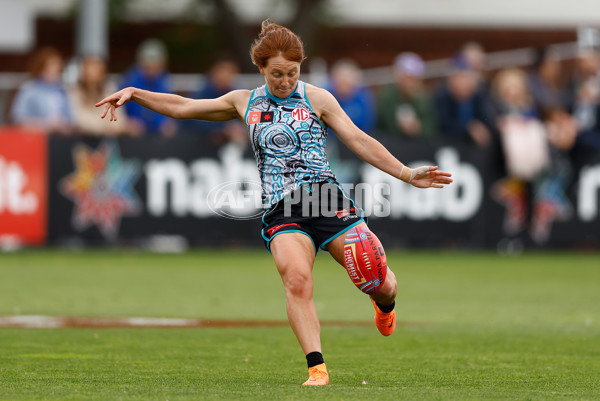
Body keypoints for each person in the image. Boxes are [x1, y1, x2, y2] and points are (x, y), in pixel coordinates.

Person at [96, 20, 452, 386]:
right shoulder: (244, 101)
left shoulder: (318, 98)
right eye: (277, 74)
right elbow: (184, 106)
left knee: (380, 278)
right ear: (261, 69)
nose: (285, 81)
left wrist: (407, 174)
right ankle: (317, 368)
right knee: (297, 280)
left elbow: (359, 140)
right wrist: (136, 93)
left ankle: (385, 303)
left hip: (326, 198)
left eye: (292, 73)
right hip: (282, 209)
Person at [178, 55, 247, 146]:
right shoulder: (201, 94)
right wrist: (222, 129)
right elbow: (192, 119)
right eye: (223, 70)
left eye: (230, 72)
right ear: (214, 71)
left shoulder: (238, 95)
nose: (226, 75)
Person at [434, 53, 495, 148]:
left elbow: (487, 120)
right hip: (450, 146)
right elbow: (443, 126)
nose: (463, 82)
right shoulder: (442, 97)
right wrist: (469, 129)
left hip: (476, 148)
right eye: (459, 77)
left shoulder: (479, 96)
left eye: (466, 77)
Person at [120, 39, 177, 137]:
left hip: (157, 137)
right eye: (148, 65)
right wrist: (127, 123)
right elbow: (120, 111)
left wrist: (168, 122)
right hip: (133, 138)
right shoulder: (129, 81)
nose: (152, 69)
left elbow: (168, 106)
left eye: (156, 64)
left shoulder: (164, 80)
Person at [10, 47, 73, 134]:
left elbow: (71, 119)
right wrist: (46, 124)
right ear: (41, 68)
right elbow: (18, 118)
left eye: (57, 66)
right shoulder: (29, 89)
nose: (55, 70)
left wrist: (63, 125)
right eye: (51, 66)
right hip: (37, 139)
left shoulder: (62, 90)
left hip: (60, 139)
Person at [376, 52, 436, 138]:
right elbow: (380, 126)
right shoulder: (386, 98)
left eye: (411, 78)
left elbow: (432, 127)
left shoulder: (425, 99)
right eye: (405, 78)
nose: (408, 83)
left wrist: (418, 128)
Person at [68, 56, 130, 136]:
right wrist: (103, 129)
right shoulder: (74, 93)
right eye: (89, 73)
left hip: (108, 143)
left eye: (97, 72)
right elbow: (76, 122)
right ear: (83, 74)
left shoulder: (110, 92)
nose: (93, 77)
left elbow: (119, 122)